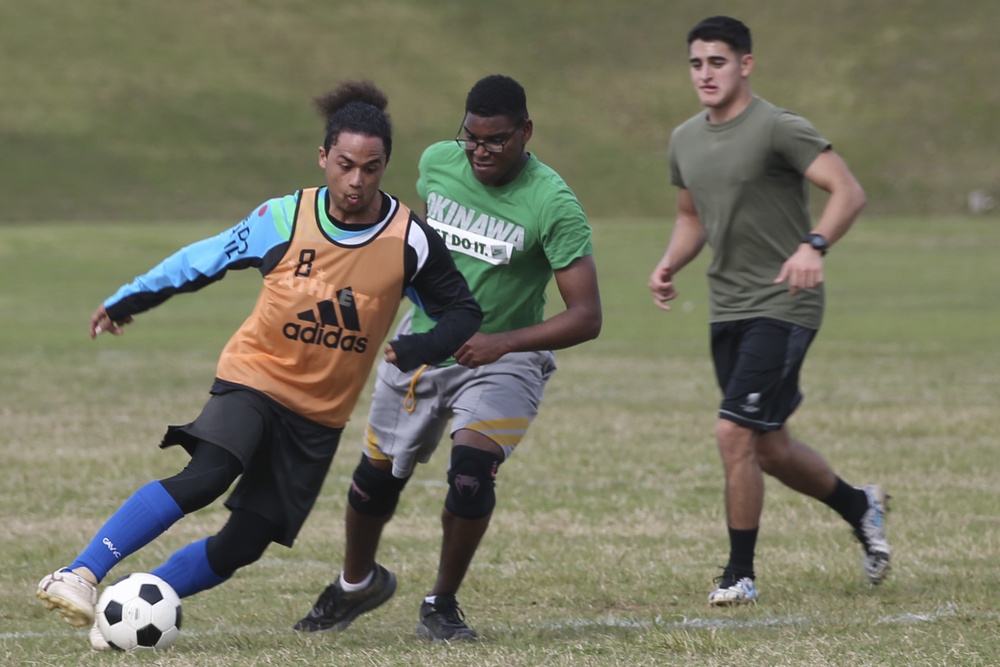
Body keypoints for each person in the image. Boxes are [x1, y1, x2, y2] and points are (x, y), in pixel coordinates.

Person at [35, 80, 483, 649]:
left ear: (384, 167)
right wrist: (131, 298)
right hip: (255, 378)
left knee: (244, 543)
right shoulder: (284, 217)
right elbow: (203, 259)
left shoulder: (408, 239)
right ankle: (79, 573)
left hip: (318, 417)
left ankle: (129, 608)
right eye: (345, 165)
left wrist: (421, 347)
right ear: (323, 157)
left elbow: (463, 312)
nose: (356, 181)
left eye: (370, 169)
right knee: (208, 474)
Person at [293, 74, 602, 641]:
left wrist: (501, 343)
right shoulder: (438, 163)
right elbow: (415, 251)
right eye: (472, 138)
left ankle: (440, 604)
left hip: (505, 355)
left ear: (526, 132)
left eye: (497, 140)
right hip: (426, 343)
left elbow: (587, 316)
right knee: (374, 481)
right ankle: (355, 583)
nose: (481, 151)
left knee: (470, 476)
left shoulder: (553, 203)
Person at [647, 16, 889, 606]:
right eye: (696, 63)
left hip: (784, 303)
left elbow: (848, 191)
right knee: (769, 447)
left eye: (717, 62)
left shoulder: (778, 127)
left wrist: (814, 245)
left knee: (733, 431)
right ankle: (860, 505)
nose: (705, 74)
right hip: (726, 306)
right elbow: (691, 216)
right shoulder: (685, 139)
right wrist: (670, 263)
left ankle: (740, 575)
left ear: (745, 64)